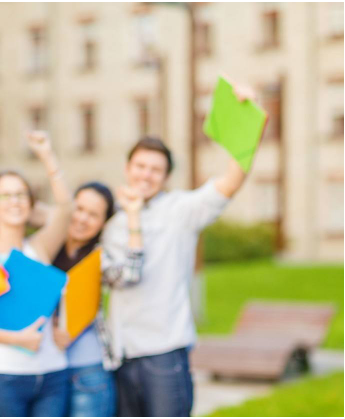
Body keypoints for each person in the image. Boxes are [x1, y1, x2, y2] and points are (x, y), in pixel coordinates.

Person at [102, 84, 259, 417]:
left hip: (164, 353)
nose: (146, 175)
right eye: (140, 166)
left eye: (155, 169)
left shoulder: (181, 210)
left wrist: (249, 114)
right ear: (128, 168)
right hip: (120, 353)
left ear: (166, 176)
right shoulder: (111, 218)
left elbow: (232, 180)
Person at [0, 131, 72, 417]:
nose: (15, 201)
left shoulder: (40, 248)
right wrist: (18, 340)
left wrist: (47, 155)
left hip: (53, 374)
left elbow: (66, 209)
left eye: (21, 194)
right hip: (5, 377)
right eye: (6, 195)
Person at [51, 182, 144, 417]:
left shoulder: (98, 258)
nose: (82, 219)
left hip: (89, 370)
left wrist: (133, 218)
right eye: (79, 209)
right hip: (47, 370)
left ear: (104, 223)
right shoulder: (46, 247)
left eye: (93, 215)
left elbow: (130, 275)